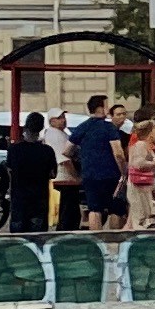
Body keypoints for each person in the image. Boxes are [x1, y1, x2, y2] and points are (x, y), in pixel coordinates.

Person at [69, 93, 126, 231]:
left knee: (95, 209)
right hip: (111, 174)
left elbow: (66, 150)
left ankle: (97, 240)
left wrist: (82, 158)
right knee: (115, 209)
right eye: (106, 105)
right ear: (101, 108)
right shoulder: (109, 127)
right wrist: (124, 171)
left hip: (89, 174)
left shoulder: (83, 127)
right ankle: (114, 240)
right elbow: (118, 153)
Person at [4, 113, 57, 233]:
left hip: (19, 200)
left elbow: (9, 171)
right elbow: (53, 174)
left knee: (18, 239)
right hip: (39, 200)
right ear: (41, 128)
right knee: (37, 238)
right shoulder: (47, 151)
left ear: (26, 127)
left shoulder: (14, 150)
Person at [125, 113, 155, 231]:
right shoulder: (141, 145)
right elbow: (138, 163)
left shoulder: (147, 146)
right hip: (139, 186)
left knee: (145, 216)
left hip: (145, 187)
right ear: (150, 132)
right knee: (141, 216)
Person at [42, 109, 77, 229]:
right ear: (52, 121)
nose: (63, 120)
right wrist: (75, 177)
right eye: (60, 118)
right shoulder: (55, 136)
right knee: (67, 213)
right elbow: (64, 160)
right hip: (64, 178)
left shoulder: (61, 134)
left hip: (65, 178)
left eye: (63, 117)